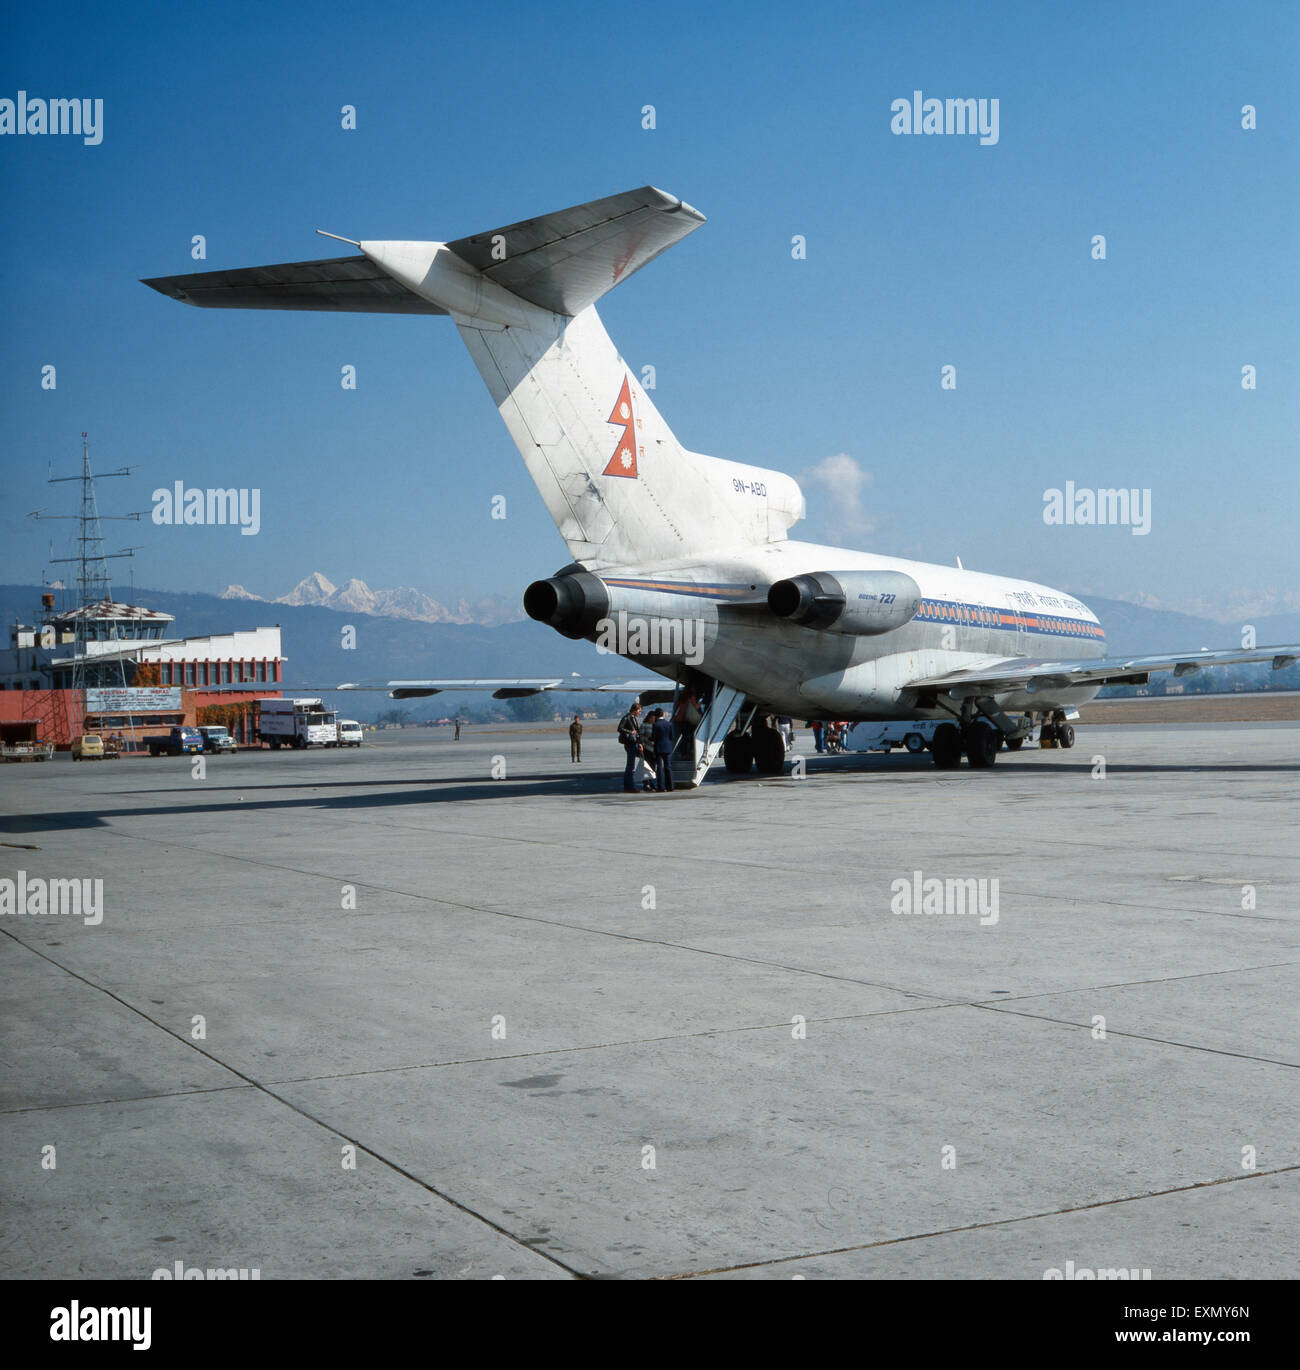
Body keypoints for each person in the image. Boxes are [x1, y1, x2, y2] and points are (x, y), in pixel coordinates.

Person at [616, 700, 643, 793]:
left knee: (631, 766)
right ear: (635, 710)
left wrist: (639, 743)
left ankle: (629, 786)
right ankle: (629, 787)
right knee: (630, 767)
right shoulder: (627, 717)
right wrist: (630, 732)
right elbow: (620, 728)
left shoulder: (633, 718)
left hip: (634, 743)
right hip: (629, 743)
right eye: (639, 711)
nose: (640, 713)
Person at [649, 707, 675, 791]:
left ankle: (661, 787)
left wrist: (649, 738)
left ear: (656, 716)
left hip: (659, 748)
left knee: (659, 767)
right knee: (668, 767)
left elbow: (653, 737)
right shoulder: (669, 724)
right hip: (668, 747)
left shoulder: (655, 725)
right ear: (663, 714)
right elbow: (672, 737)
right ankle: (670, 786)